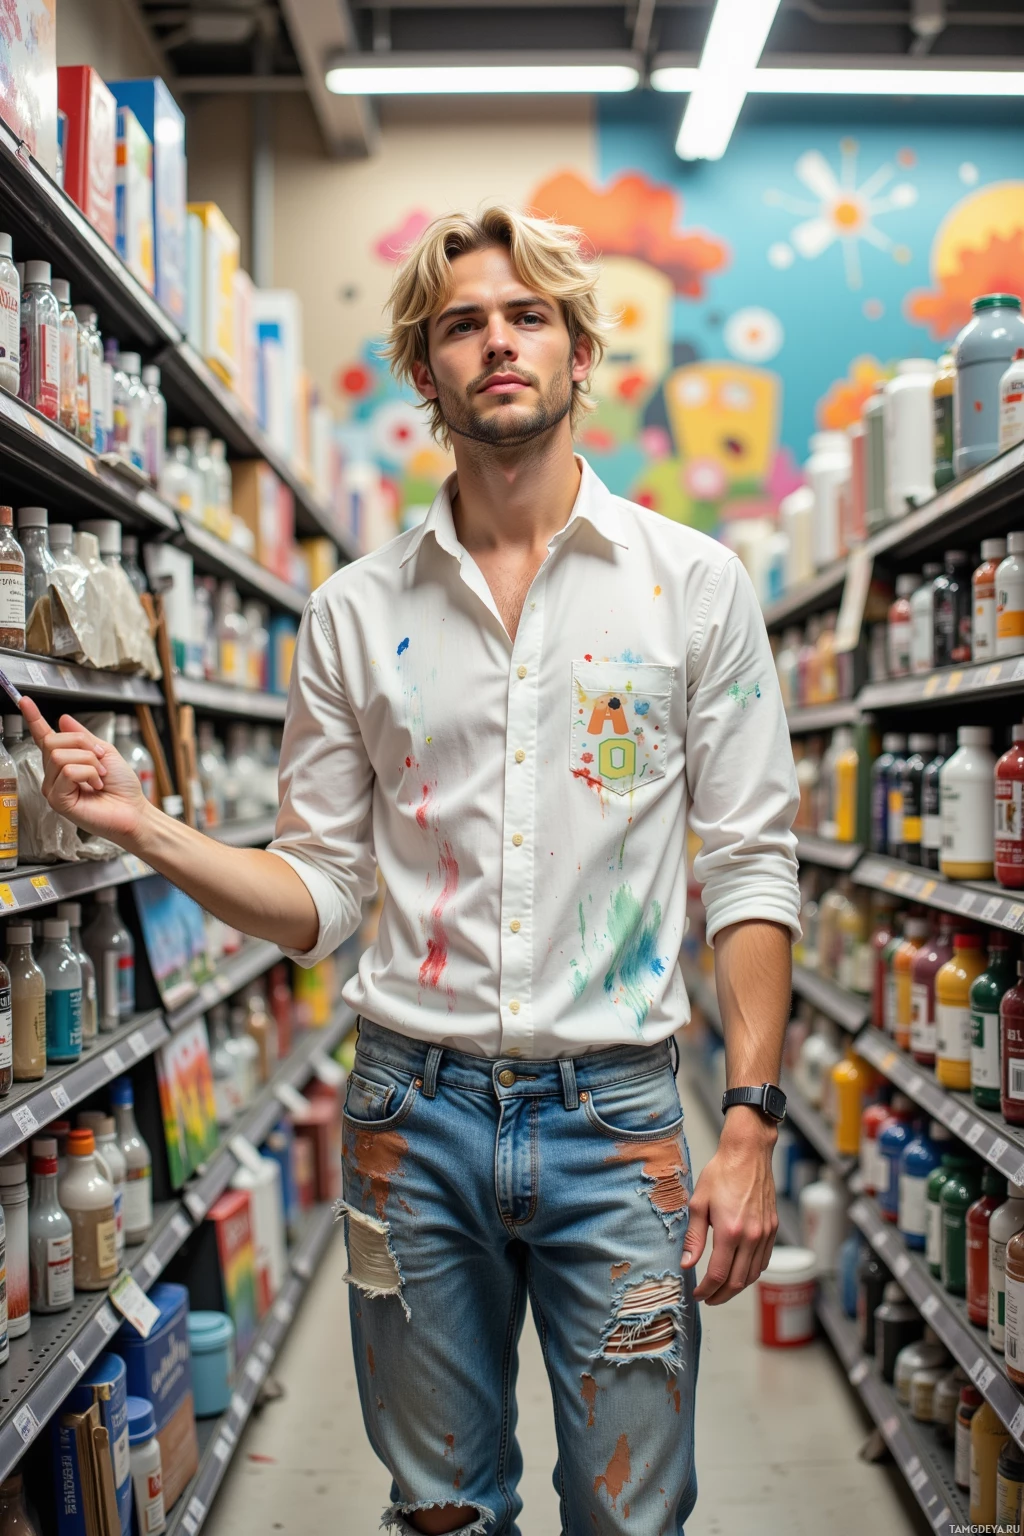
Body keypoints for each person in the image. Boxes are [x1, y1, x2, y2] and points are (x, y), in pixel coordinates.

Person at [21, 205, 800, 1536]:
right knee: (441, 1508)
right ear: (425, 369)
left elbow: (749, 870)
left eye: (526, 315)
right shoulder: (352, 614)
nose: (497, 341)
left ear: (578, 351)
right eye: (461, 324)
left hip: (619, 1124)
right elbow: (320, 899)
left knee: (633, 1515)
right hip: (407, 1116)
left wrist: (750, 1118)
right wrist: (147, 828)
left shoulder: (696, 588)